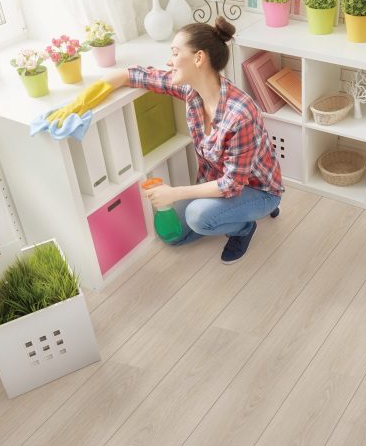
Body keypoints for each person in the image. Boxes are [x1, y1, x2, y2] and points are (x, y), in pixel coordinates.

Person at [105, 17, 284, 264]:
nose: (169, 61)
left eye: (176, 53)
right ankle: (233, 213)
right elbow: (147, 77)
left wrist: (174, 193)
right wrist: (96, 91)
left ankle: (244, 227)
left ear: (199, 58)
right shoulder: (192, 91)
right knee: (173, 236)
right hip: (218, 183)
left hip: (257, 188)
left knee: (199, 217)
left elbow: (232, 185)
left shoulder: (240, 114)